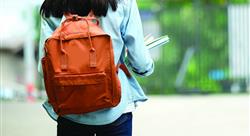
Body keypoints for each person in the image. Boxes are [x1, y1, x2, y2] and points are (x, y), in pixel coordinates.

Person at [38, 0, 154, 135]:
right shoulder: (123, 2)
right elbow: (140, 61)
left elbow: (44, 68)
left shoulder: (53, 5)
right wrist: (146, 68)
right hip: (115, 110)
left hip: (69, 110)